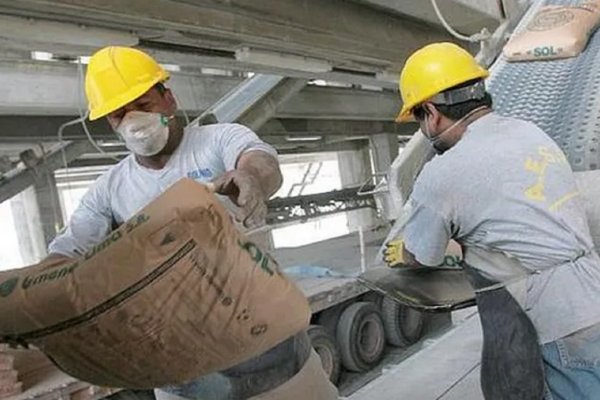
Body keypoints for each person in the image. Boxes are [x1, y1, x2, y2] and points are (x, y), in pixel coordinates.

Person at [47, 46, 338, 400]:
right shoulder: (109, 189)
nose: (133, 121)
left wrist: (250, 178)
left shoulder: (218, 141)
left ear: (168, 99)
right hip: (182, 370)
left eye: (143, 105)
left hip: (268, 350)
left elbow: (261, 162)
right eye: (119, 115)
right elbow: (67, 251)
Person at [385, 42, 600, 399]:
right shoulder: (529, 132)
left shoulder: (441, 173)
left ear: (431, 113)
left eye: (419, 118)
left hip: (558, 317)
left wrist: (404, 253)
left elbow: (424, 255)